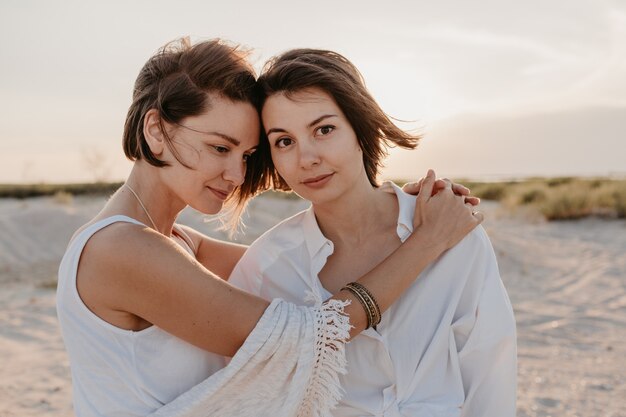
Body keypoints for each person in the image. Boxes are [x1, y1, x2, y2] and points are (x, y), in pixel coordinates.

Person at [56, 38, 482, 417]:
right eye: (219, 147)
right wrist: (428, 240)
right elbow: (305, 340)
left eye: (247, 154)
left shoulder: (176, 242)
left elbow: (306, 270)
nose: (237, 174)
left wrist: (389, 210)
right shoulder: (120, 250)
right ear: (155, 130)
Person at [228, 48, 517, 417]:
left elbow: (489, 369)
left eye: (324, 129)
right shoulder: (267, 267)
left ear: (360, 130)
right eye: (284, 141)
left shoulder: (450, 225)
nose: (307, 158)